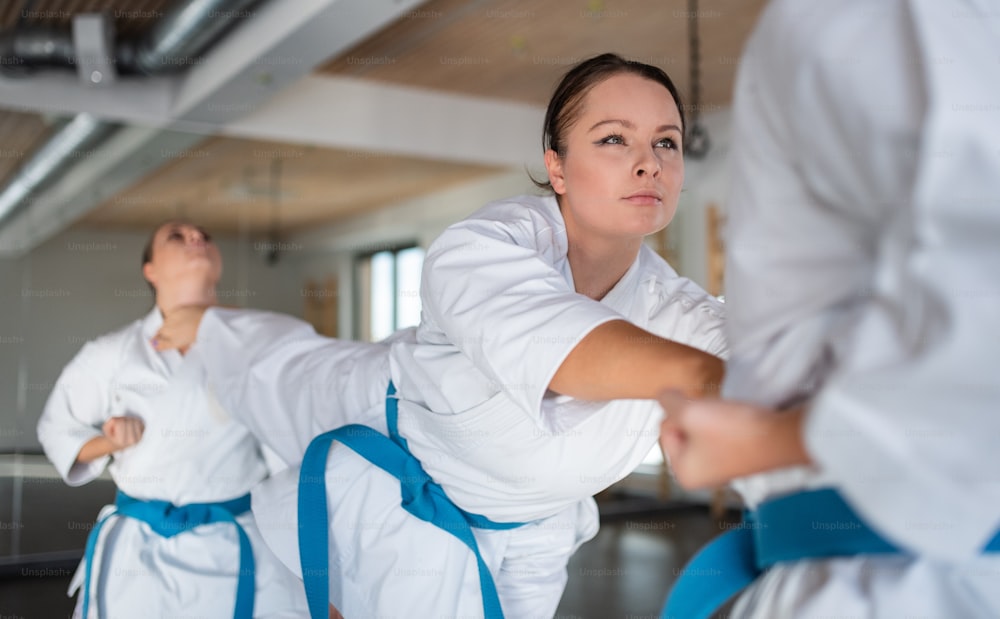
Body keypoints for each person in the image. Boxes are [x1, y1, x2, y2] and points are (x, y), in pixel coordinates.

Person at [158, 53, 727, 618]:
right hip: (383, 431)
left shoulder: (672, 307)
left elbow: (757, 361)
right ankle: (205, 323)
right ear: (556, 167)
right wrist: (707, 376)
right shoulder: (483, 247)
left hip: (529, 525)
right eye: (613, 140)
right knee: (273, 368)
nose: (649, 163)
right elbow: (568, 351)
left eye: (666, 142)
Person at [659, 0, 1000, 617]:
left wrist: (767, 438)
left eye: (666, 142)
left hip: (900, 573)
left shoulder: (849, 16)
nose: (649, 164)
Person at [37, 221, 310, 618]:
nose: (196, 238)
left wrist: (319, 567)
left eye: (203, 235)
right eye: (176, 237)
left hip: (234, 543)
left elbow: (291, 453)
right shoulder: (112, 352)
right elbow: (55, 427)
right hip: (139, 550)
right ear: (150, 270)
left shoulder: (257, 341)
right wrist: (109, 442)